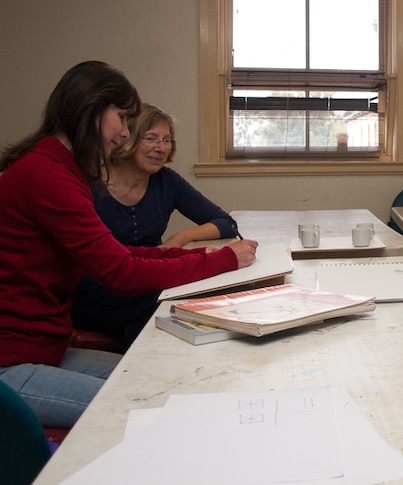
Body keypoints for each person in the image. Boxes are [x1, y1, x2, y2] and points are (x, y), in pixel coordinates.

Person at [0, 60, 259, 429]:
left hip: (44, 350)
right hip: (11, 363)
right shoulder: (48, 175)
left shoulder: (61, 169)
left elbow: (120, 253)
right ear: (90, 110)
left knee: (162, 383)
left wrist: (206, 253)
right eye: (121, 118)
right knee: (151, 413)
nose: (125, 133)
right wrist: (222, 262)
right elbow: (121, 272)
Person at [71, 103, 239, 351]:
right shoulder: (90, 183)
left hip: (147, 277)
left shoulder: (167, 181)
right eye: (151, 139)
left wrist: (180, 238)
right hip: (93, 292)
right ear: (127, 139)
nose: (161, 148)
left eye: (167, 140)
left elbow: (226, 223)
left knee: (193, 290)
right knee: (158, 300)